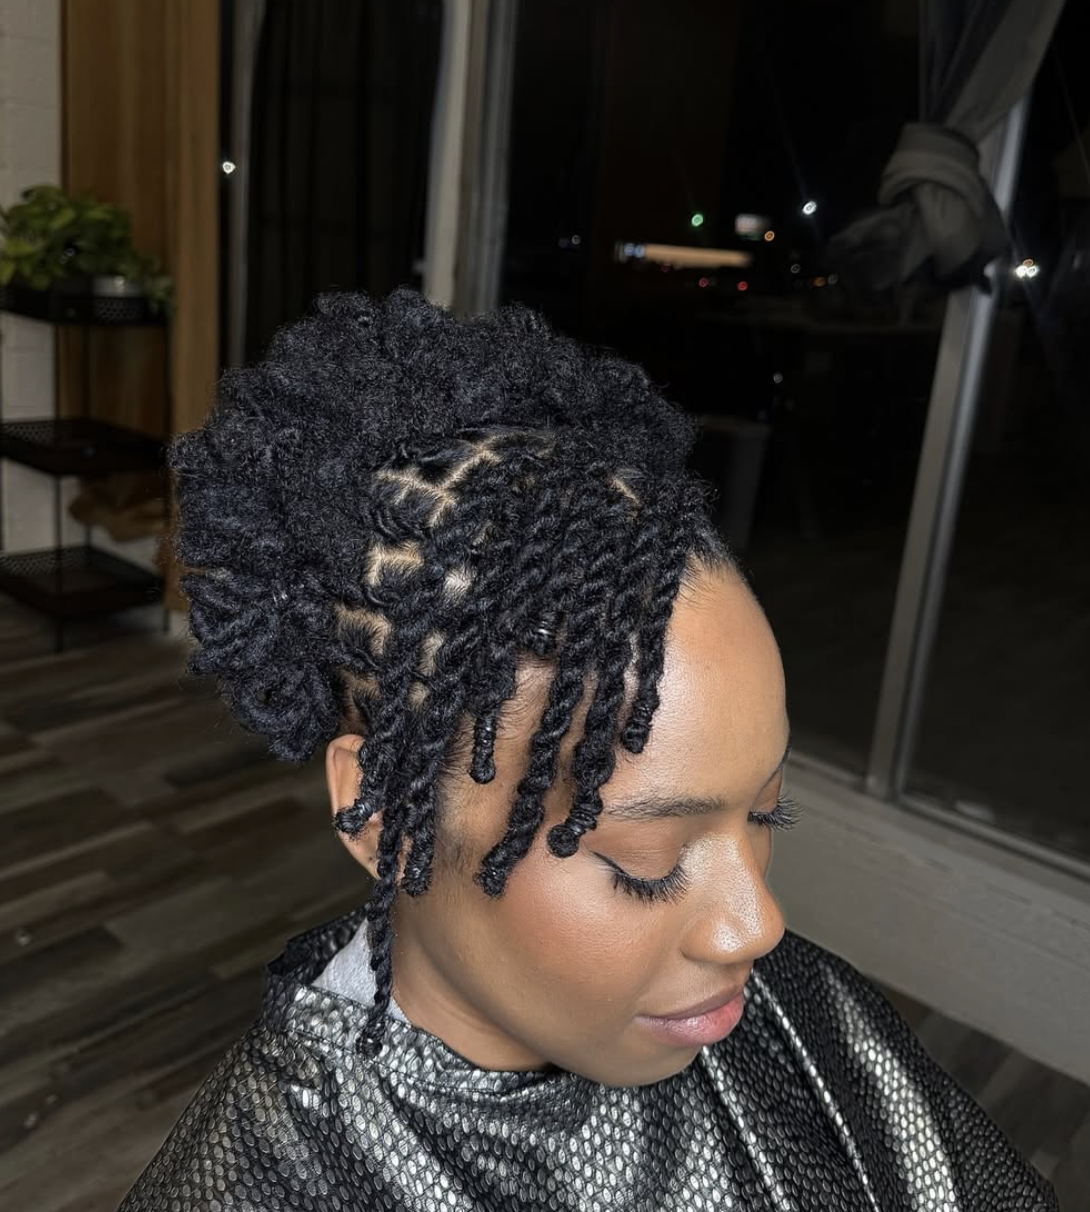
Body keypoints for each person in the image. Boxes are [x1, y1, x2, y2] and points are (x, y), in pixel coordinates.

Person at [119, 289, 1056, 1211]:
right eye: (643, 862)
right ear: (386, 819)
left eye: (767, 813)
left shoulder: (805, 1016)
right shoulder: (263, 1178)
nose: (755, 927)